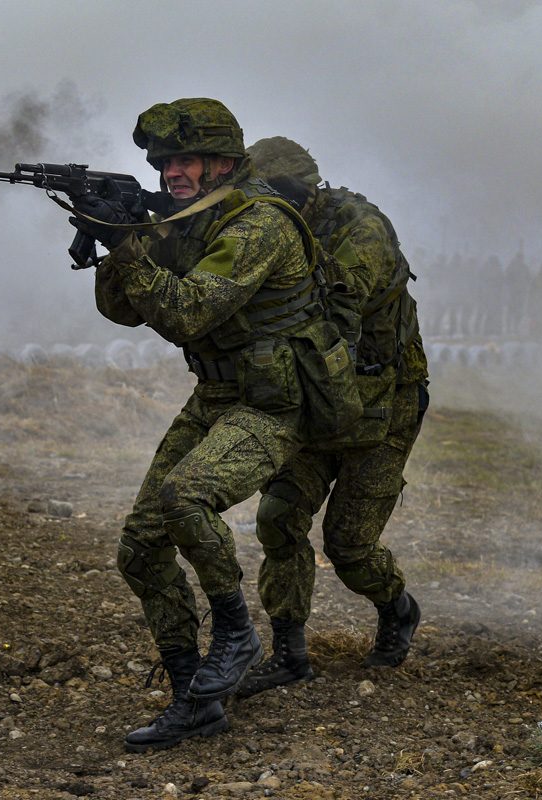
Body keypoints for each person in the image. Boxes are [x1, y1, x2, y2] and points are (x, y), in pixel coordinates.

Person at [73, 99, 357, 752]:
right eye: (165, 161)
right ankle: (192, 700)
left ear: (224, 161)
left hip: (278, 404)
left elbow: (186, 314)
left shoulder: (259, 224)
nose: (172, 171)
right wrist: (117, 239)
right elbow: (123, 310)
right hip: (220, 395)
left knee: (185, 496)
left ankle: (235, 632)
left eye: (186, 159)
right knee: (140, 548)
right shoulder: (192, 220)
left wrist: (130, 245)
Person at [238, 136, 428, 697]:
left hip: (385, 403)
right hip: (318, 399)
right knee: (279, 518)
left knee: (348, 545)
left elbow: (336, 305)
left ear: (299, 191)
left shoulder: (359, 229)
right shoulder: (273, 226)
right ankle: (290, 653)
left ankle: (397, 608)